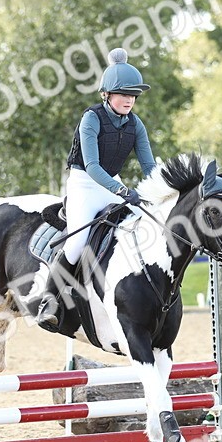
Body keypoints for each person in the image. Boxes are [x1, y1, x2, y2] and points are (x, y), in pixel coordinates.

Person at [37, 47, 157, 330]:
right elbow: (91, 166)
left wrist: (160, 191)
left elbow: (149, 166)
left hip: (112, 185)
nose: (129, 99)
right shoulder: (90, 118)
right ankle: (49, 300)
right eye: (124, 94)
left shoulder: (136, 124)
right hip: (84, 184)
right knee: (77, 242)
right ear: (107, 94)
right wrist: (123, 190)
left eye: (133, 95)